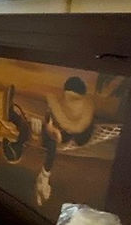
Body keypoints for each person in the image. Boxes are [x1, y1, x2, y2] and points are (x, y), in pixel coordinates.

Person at [35, 76, 95, 206]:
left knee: (51, 138)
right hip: (61, 133)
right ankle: (44, 177)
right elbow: (50, 121)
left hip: (72, 135)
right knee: (50, 138)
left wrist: (56, 131)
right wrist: (52, 129)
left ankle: (43, 177)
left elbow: (82, 138)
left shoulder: (84, 123)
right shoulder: (63, 108)